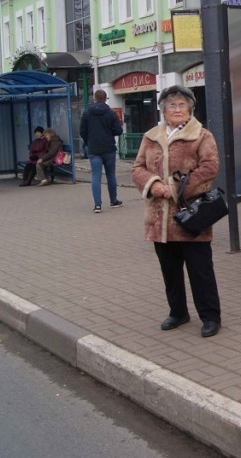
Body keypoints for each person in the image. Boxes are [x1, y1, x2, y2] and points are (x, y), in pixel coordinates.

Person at [131, 85, 221, 337]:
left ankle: (210, 316)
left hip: (191, 216)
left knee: (200, 270)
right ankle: (178, 312)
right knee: (170, 270)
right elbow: (137, 168)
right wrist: (154, 185)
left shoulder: (202, 135)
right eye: (172, 105)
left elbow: (209, 168)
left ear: (190, 108)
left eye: (182, 104)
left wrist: (174, 188)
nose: (177, 109)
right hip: (159, 218)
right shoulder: (150, 136)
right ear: (163, 109)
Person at [81, 89, 124, 213]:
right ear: (105, 99)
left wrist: (89, 141)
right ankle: (113, 201)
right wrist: (109, 132)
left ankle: (97, 205)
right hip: (109, 148)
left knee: (96, 176)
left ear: (94, 98)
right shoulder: (111, 113)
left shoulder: (87, 113)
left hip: (94, 148)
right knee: (110, 175)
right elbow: (119, 131)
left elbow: (82, 131)